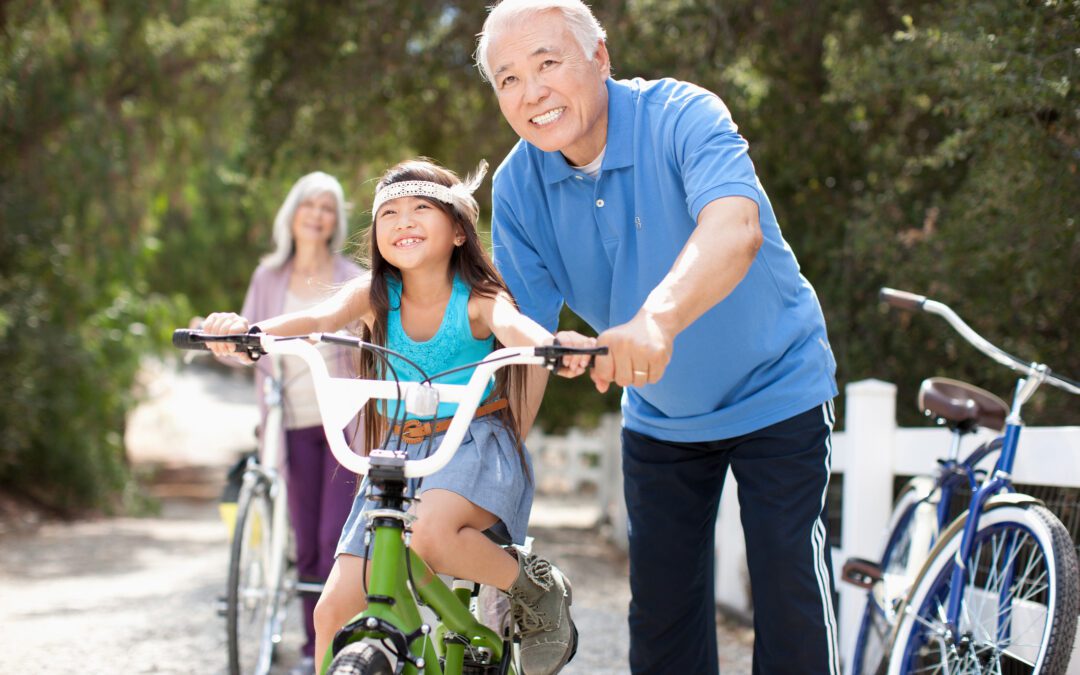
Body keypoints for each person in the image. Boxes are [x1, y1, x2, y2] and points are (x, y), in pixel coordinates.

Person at [475, 2, 841, 673]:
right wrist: (485, 485)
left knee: (789, 591)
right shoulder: (518, 186)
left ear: (601, 57)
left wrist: (656, 319)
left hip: (777, 386)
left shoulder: (682, 114)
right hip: (662, 416)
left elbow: (735, 226)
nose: (532, 93)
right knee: (663, 623)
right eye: (508, 80)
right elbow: (517, 339)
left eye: (547, 63)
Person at [202, 158, 595, 675]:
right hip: (397, 451)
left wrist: (553, 348)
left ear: (458, 230)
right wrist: (251, 333)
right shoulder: (373, 295)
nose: (403, 221)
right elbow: (317, 320)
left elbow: (516, 326)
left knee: (432, 537)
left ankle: (535, 588)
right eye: (389, 212)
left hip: (471, 443)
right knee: (331, 613)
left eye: (420, 208)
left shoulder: (478, 299)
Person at [208, 171, 363, 674]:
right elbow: (247, 348)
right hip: (288, 424)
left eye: (327, 208)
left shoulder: (349, 274)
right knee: (303, 534)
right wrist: (224, 342)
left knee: (333, 538)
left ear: (335, 221)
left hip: (340, 422)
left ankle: (338, 647)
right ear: (292, 214)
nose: (317, 215)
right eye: (309, 206)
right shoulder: (268, 277)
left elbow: (366, 341)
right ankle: (309, 649)